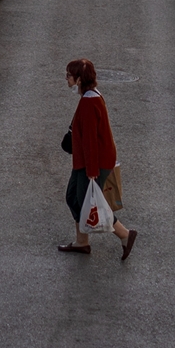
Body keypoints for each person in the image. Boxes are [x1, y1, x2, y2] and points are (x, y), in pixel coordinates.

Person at [60, 58, 136, 258]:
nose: (66, 78)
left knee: (90, 202)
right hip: (87, 161)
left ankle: (125, 235)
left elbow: (91, 141)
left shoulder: (88, 102)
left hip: (92, 164)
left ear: (78, 79)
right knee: (73, 198)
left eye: (69, 75)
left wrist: (92, 171)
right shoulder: (92, 96)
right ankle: (82, 242)